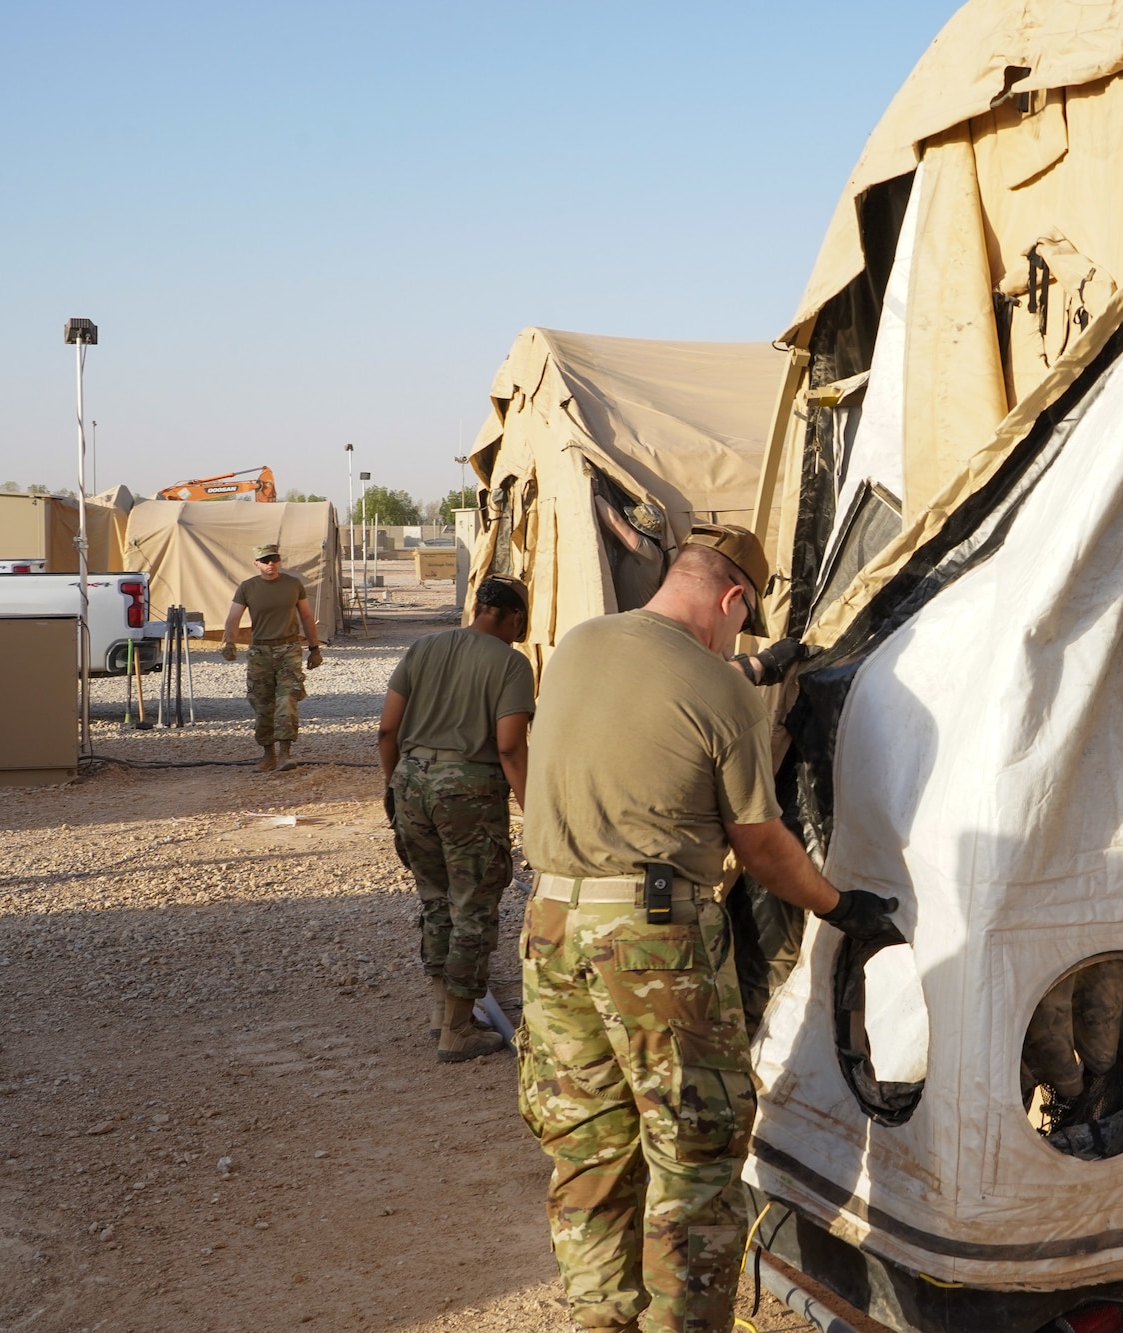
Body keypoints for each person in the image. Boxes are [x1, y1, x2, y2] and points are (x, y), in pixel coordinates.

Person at [517, 522, 898, 1333]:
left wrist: (756, 668)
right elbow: (760, 844)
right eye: (742, 619)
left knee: (590, 1149)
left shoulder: (584, 644)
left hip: (552, 924)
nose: (738, 637)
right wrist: (838, 906)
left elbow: (667, 691)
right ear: (732, 597)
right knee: (694, 1157)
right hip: (650, 940)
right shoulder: (719, 690)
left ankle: (601, 1321)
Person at [377, 574, 536, 1063]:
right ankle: (458, 1031)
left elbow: (387, 729)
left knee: (436, 899)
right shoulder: (511, 664)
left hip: (411, 781)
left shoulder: (423, 648)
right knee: (473, 905)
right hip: (468, 791)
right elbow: (509, 745)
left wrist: (393, 785)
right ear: (513, 617)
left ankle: (440, 1010)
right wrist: (535, 810)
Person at [220, 543, 324, 772]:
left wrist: (314, 648)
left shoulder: (293, 585)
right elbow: (233, 617)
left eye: (274, 559)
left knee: (287, 699)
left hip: (288, 649)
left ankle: (285, 754)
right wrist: (229, 642)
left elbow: (306, 616)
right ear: (256, 563)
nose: (271, 564)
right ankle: (268, 756)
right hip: (260, 653)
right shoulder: (248, 587)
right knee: (262, 704)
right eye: (265, 560)